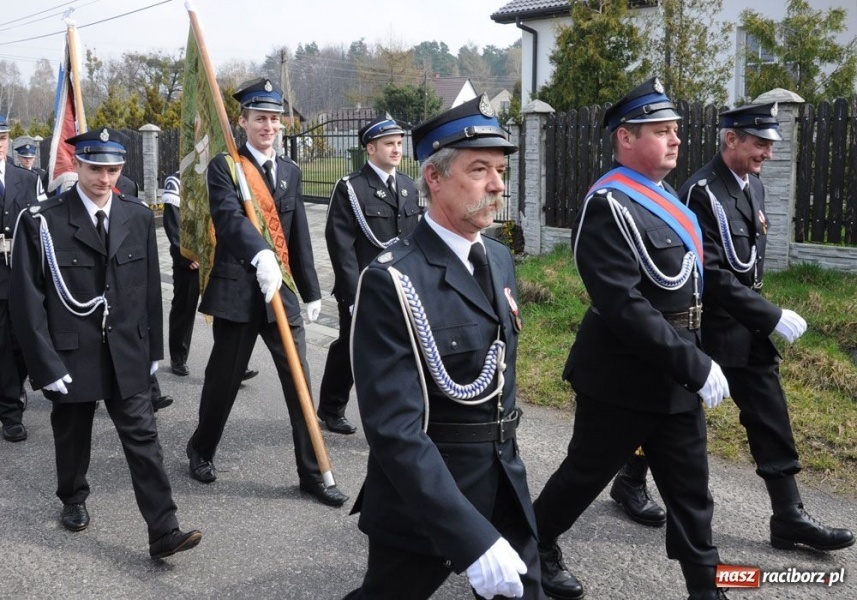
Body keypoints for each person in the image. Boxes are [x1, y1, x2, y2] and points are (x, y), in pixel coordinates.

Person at [532, 78, 731, 600]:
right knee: (584, 474)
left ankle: (705, 588)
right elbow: (623, 304)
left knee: (691, 492)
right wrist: (694, 365)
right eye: (661, 131)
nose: (676, 140)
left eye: (676, 132)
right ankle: (535, 543)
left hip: (678, 375)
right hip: (621, 378)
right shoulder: (609, 205)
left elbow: (697, 281)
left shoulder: (668, 200)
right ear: (625, 138)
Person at [344, 94, 544, 600]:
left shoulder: (498, 259)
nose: (497, 185)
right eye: (480, 170)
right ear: (434, 178)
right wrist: (470, 537)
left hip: (501, 481)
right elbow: (395, 430)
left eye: (500, 170)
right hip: (427, 497)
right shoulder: (393, 279)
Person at [10, 127, 202, 559]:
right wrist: (45, 365)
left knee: (144, 437)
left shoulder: (135, 214)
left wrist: (153, 351)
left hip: (127, 351)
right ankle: (73, 497)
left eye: (114, 170)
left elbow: (149, 287)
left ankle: (163, 529)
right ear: (77, 165)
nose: (105, 179)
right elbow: (27, 301)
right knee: (73, 436)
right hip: (71, 352)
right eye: (96, 169)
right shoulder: (43, 220)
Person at [676, 103, 854, 552]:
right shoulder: (701, 192)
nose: (768, 155)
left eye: (771, 145)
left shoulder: (752, 186)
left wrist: (759, 315)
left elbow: (748, 263)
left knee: (769, 413)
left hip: (745, 328)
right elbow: (711, 272)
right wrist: (769, 315)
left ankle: (788, 516)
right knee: (667, 411)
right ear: (730, 139)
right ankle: (630, 479)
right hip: (704, 327)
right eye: (760, 144)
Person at [185, 77, 347, 508]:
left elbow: (297, 237)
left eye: (275, 119)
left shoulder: (291, 170)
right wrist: (260, 256)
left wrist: (311, 291)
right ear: (242, 121)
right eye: (260, 118)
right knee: (223, 380)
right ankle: (200, 449)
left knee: (300, 384)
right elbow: (228, 218)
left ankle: (314, 474)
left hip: (283, 292)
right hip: (240, 288)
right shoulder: (227, 167)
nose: (268, 126)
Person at [317, 114, 421, 435]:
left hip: (400, 288)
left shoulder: (406, 186)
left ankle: (394, 417)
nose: (396, 150)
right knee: (351, 349)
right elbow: (341, 244)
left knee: (401, 353)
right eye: (389, 144)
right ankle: (331, 407)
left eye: (399, 144)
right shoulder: (352, 188)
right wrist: (351, 295)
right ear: (370, 148)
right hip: (364, 287)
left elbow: (413, 240)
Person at [161, 171, 258, 381]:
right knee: (184, 309)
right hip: (191, 261)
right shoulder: (177, 180)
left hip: (218, 256)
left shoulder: (221, 176)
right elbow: (173, 223)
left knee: (224, 311)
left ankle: (232, 365)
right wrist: (187, 255)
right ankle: (178, 357)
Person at [0, 117, 42, 443]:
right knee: (2, 345)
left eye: (2, 138)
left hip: (20, 271)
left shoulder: (25, 179)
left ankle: (14, 387)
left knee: (21, 343)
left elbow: (38, 226)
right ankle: (11, 411)